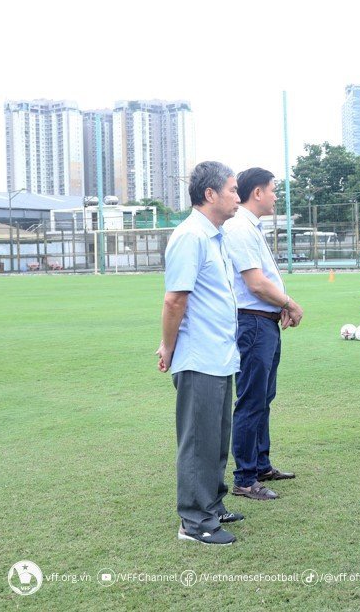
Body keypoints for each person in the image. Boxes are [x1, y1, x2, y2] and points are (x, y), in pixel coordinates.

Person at [156, 161, 242, 546]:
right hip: (199, 357)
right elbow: (175, 299)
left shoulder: (215, 237)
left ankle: (212, 504)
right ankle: (195, 522)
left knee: (216, 436)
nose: (237, 197)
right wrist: (168, 347)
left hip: (220, 356)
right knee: (198, 440)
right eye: (233, 190)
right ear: (210, 195)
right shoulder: (191, 236)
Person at [223, 168, 304, 502]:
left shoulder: (250, 226)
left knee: (263, 397)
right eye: (272, 190)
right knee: (252, 400)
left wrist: (279, 305)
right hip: (252, 323)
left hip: (264, 322)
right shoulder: (239, 227)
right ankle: (244, 478)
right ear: (257, 192)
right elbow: (255, 283)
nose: (275, 196)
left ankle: (260, 465)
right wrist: (289, 303)